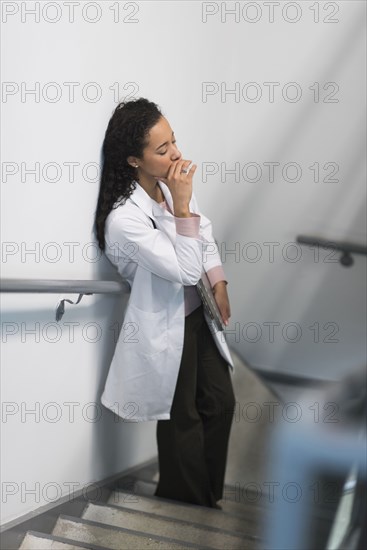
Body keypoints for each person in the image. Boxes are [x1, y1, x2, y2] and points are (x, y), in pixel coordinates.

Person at [94, 97, 236, 508]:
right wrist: (185, 203)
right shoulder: (124, 219)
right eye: (162, 149)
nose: (176, 153)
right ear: (133, 161)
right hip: (165, 324)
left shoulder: (166, 190)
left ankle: (206, 496)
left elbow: (202, 234)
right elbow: (185, 270)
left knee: (221, 402)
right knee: (183, 418)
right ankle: (188, 502)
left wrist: (220, 279)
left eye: (173, 141)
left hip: (198, 315)